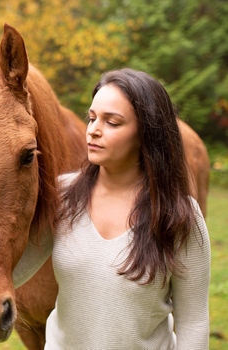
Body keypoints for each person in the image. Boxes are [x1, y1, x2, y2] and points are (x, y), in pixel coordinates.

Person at [13, 68, 210, 349]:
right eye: (92, 118)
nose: (93, 130)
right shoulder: (64, 196)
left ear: (147, 134)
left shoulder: (179, 215)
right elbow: (13, 273)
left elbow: (193, 322)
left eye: (112, 122)